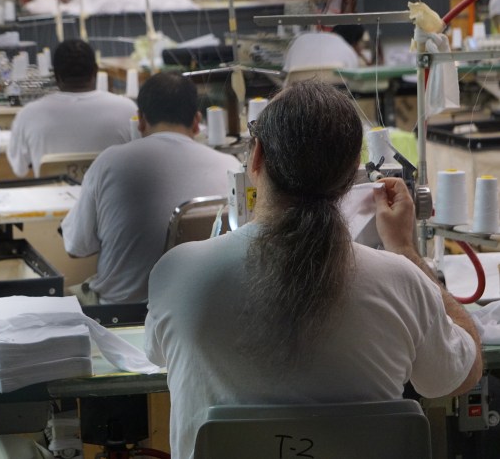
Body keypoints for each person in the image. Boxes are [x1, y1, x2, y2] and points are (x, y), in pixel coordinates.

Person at [144, 81, 482, 459]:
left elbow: (156, 355)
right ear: (353, 172)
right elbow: (461, 374)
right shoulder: (400, 281)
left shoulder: (179, 273)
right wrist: (406, 252)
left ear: (256, 158)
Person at [61, 73, 242, 305]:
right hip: (201, 312)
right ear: (197, 122)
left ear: (141, 122)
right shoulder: (231, 167)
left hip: (124, 315)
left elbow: (77, 248)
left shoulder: (109, 162)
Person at [7, 39, 137, 178]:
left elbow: (19, 169)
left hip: (52, 199)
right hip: (111, 199)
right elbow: (141, 162)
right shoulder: (127, 110)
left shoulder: (29, 115)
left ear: (56, 75)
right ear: (95, 71)